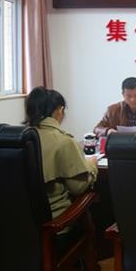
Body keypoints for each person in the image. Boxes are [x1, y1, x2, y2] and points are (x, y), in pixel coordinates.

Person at [24, 86, 98, 233]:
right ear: (59, 110)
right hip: (55, 225)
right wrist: (92, 165)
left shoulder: (18, 138)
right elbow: (78, 188)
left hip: (22, 226)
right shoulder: (63, 142)